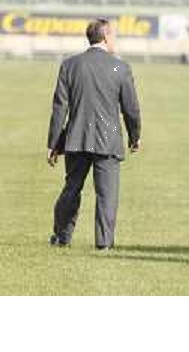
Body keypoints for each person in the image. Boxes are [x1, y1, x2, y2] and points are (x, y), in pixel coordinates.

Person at [47, 18, 141, 250]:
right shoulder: (120, 67)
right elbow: (131, 108)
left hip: (76, 138)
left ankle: (61, 237)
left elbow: (60, 106)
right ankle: (104, 244)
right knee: (107, 195)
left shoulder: (70, 65)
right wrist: (134, 136)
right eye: (114, 36)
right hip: (108, 140)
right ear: (106, 37)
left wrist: (53, 143)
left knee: (71, 189)